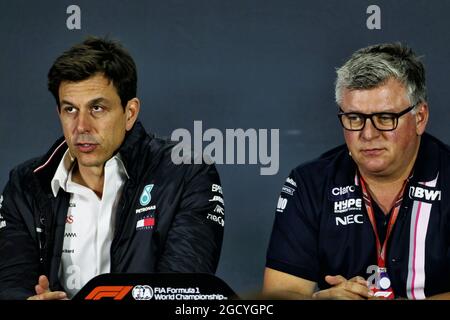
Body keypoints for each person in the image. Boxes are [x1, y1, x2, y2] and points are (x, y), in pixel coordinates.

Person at [0, 37, 225, 300]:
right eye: (70, 109)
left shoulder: (187, 172)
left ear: (130, 113)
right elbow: (10, 285)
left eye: (97, 108)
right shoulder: (25, 184)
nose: (81, 126)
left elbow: (182, 293)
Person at [263, 43, 450, 300]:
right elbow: (279, 294)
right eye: (354, 118)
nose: (368, 134)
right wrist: (321, 300)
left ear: (420, 117)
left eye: (385, 118)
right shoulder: (310, 183)